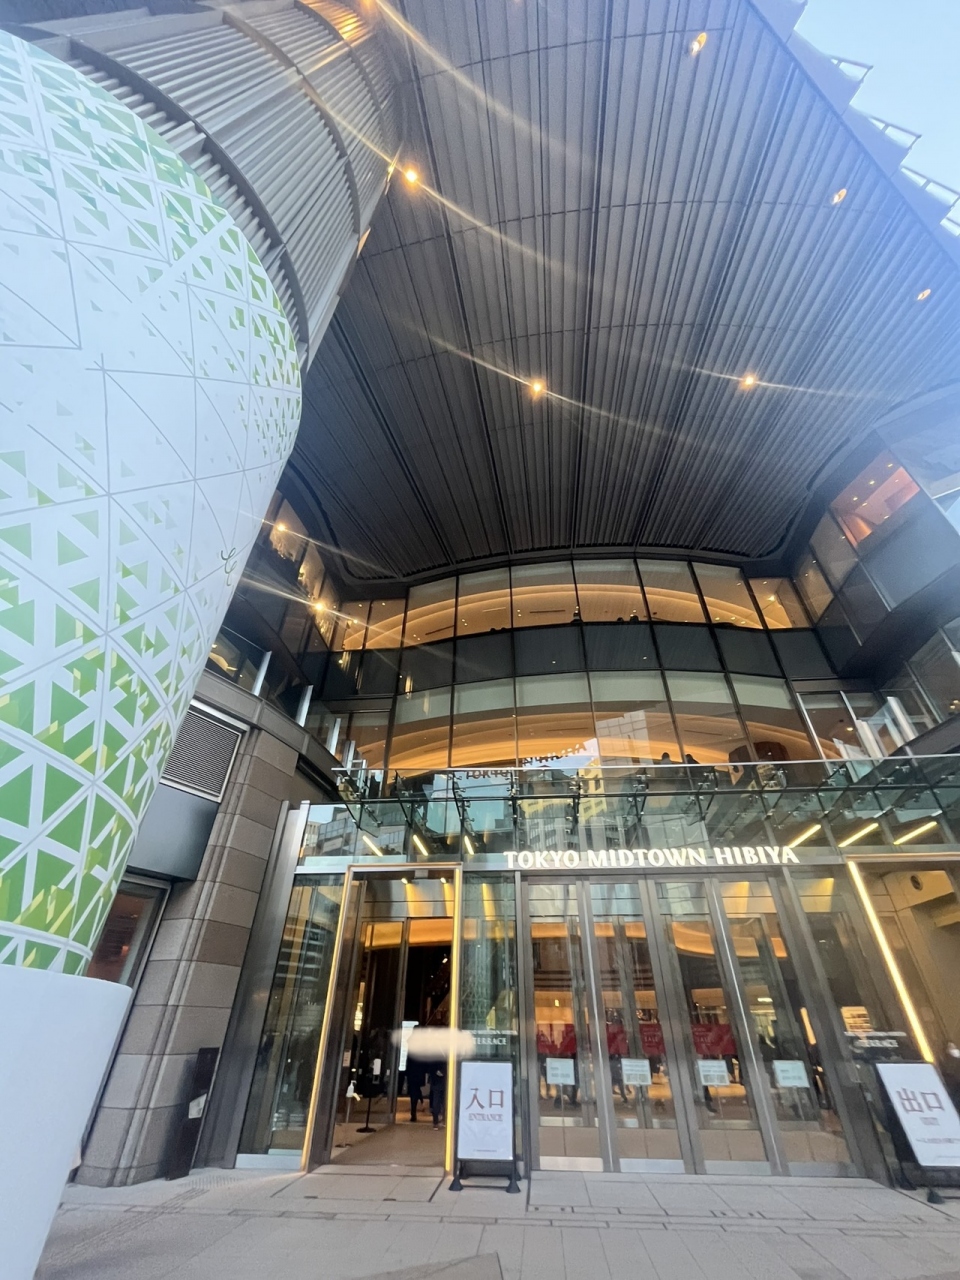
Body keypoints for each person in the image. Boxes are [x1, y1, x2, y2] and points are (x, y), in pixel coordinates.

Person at [405, 1056, 427, 1122]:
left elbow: (408, 1065)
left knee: (413, 1094)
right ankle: (420, 1103)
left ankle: (413, 1113)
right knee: (417, 1090)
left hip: (412, 1075)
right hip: (419, 1075)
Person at [428, 1056, 446, 1129]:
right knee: (445, 1101)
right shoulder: (446, 1056)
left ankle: (435, 1122)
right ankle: (444, 1119)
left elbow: (430, 1068)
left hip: (435, 1082)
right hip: (445, 1081)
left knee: (436, 1101)